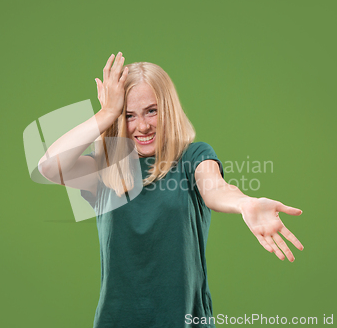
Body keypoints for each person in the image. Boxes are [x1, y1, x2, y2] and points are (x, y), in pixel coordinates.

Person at [37, 52, 304, 328]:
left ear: (168, 108)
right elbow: (48, 167)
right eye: (128, 115)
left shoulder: (193, 157)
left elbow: (215, 188)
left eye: (152, 111)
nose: (143, 126)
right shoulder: (106, 169)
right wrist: (105, 114)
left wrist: (244, 203)